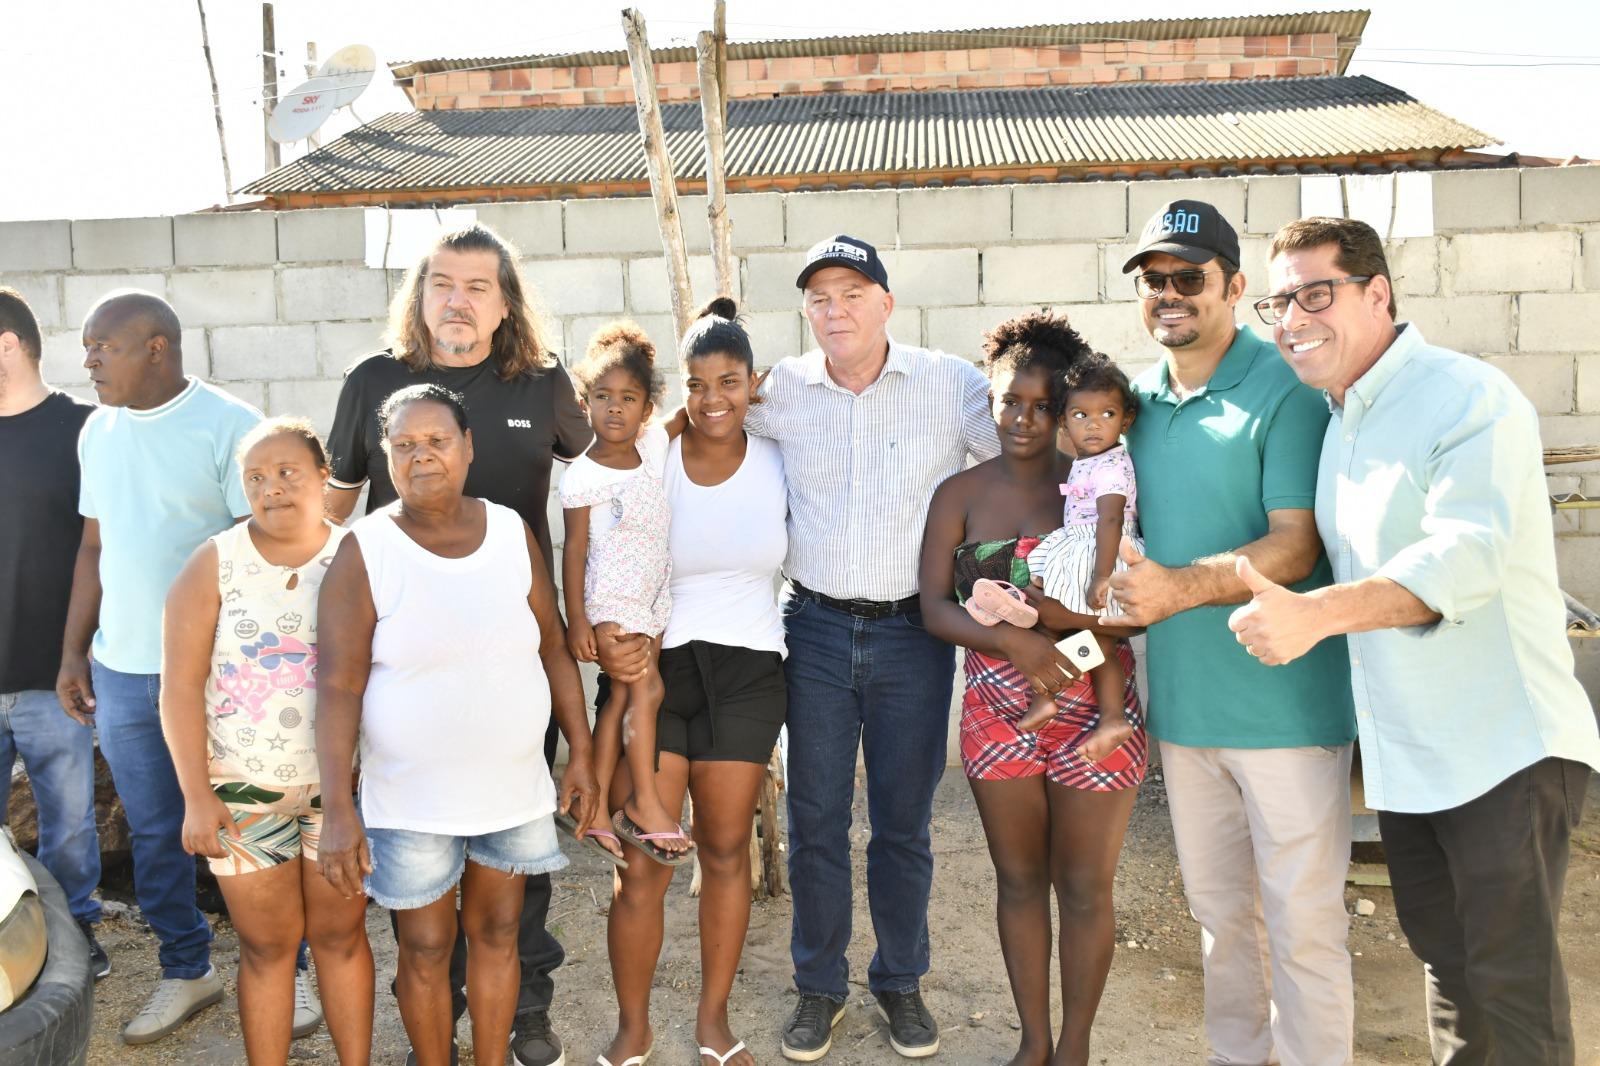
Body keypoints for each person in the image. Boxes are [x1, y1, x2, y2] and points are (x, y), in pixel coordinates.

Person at [1231, 215, 1600, 1065]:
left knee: (1512, 995)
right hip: (1411, 761)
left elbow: (1466, 556)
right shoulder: (1341, 421)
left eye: (1314, 294)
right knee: (1450, 975)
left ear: (1378, 293)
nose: (1292, 318)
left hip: (1503, 750)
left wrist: (1313, 612)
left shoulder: (1466, 396)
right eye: (1279, 302)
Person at [324, 222, 591, 1066]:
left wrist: (605, 610)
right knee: (426, 888)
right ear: (419, 295)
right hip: (405, 662)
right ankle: (436, 1030)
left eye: (478, 287)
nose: (458, 301)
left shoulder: (546, 386)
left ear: (505, 302)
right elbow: (332, 516)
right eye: (442, 283)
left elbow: (605, 491)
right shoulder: (374, 383)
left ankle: (525, 1014)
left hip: (513, 657)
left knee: (515, 867)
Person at [1103, 201, 1358, 1066]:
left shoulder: (1286, 390)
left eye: (1189, 279)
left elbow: (1296, 542)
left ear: (1235, 286)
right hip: (1186, 711)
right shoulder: (1131, 404)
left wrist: (1178, 588)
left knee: (1305, 928)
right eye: (1153, 280)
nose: (1168, 294)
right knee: (1219, 923)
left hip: (1286, 710)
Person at [739, 234, 1001, 1059]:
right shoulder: (778, 390)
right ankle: (819, 988)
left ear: (887, 302)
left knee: (903, 824)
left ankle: (899, 981)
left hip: (912, 635)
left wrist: (992, 578)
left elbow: (1012, 474)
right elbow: (702, 421)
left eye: (852, 292)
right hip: (812, 628)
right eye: (819, 297)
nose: (835, 309)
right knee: (815, 817)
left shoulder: (950, 384)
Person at [920, 311, 1146, 1066]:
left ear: (1067, 410)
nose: (1022, 419)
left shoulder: (1095, 493)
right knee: (1019, 881)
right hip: (997, 709)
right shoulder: (959, 493)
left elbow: (1122, 609)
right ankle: (1034, 1043)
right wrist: (1010, 636)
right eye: (1008, 401)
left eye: (1043, 405)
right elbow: (932, 607)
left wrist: (1060, 633)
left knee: (1084, 885)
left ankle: (1076, 1047)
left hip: (1093, 703)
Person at [55, 290, 262, 1043]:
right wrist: (76, 652)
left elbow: (259, 555)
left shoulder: (232, 427)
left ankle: (292, 970)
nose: (87, 361)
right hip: (121, 670)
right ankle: (187, 970)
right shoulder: (96, 432)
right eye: (87, 348)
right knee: (152, 833)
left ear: (156, 349)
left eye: (101, 347)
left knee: (249, 824)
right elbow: (93, 548)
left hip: (218, 677)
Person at [595, 298, 787, 1066]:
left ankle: (714, 1022)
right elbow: (604, 530)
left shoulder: (778, 453)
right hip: (658, 669)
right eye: (698, 384)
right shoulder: (652, 457)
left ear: (754, 384)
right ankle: (632, 1026)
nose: (714, 400)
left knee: (726, 848)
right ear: (681, 387)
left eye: (731, 383)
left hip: (750, 670)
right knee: (642, 859)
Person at [159, 418, 373, 1065]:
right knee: (267, 948)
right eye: (256, 477)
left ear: (323, 475)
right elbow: (178, 688)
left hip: (340, 795)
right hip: (244, 795)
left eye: (287, 473)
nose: (272, 488)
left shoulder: (359, 556)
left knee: (341, 938)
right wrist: (196, 796)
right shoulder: (215, 563)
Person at [0, 287, 105, 977]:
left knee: (69, 826)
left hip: (53, 673)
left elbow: (105, 548)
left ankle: (76, 940)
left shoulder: (86, 429)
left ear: (6, 346)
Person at [560, 323, 687, 863]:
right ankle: (646, 806)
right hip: (612, 602)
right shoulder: (581, 476)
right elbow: (573, 551)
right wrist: (579, 623)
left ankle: (591, 816)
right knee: (646, 692)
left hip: (652, 598)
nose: (615, 409)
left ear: (645, 408)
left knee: (619, 702)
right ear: (583, 402)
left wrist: (744, 389)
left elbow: (685, 419)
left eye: (628, 399)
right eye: (602, 397)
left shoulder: (651, 447)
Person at [1020, 352, 1142, 759]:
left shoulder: (1111, 466)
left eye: (1107, 413)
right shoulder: (1086, 462)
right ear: (1063, 422)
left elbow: (1110, 520)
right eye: (1080, 415)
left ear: (1125, 420)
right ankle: (1098, 712)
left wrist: (1101, 576)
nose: (1093, 424)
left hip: (1102, 552)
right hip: (1084, 547)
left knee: (1095, 636)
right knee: (1068, 628)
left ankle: (1059, 693)